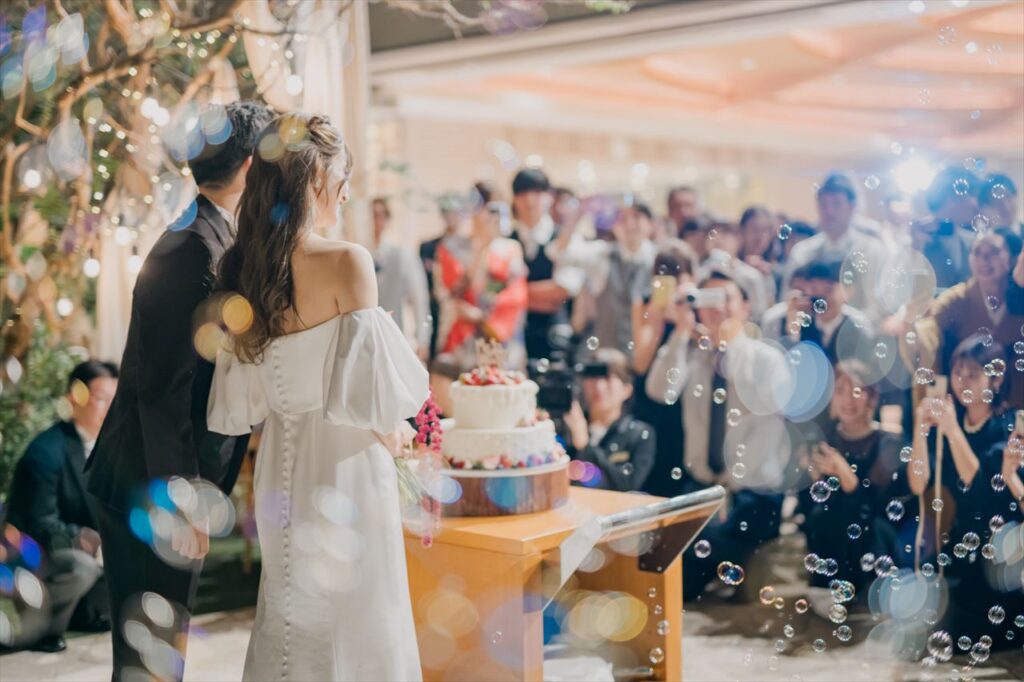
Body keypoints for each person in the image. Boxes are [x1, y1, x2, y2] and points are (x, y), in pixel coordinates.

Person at [209, 113, 426, 681]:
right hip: (348, 464)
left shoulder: (242, 269)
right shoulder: (348, 262)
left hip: (282, 460)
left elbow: (243, 395)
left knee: (289, 606)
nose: (348, 191)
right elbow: (372, 400)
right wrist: (400, 438)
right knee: (362, 610)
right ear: (314, 178)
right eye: (343, 175)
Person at [86, 100, 272, 681]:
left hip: (158, 478)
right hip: (145, 484)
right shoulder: (189, 248)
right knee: (149, 659)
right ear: (250, 166)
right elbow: (162, 390)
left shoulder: (214, 236)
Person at [645, 272, 788, 601]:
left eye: (726, 298)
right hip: (700, 488)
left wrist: (727, 488)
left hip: (752, 492)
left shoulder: (766, 359)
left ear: (745, 307)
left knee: (696, 553)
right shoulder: (694, 356)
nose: (716, 308)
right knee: (661, 550)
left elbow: (769, 420)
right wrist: (681, 331)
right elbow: (659, 390)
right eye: (707, 300)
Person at [2, 361, 118, 653]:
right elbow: (39, 525)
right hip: (35, 557)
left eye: (115, 400)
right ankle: (38, 627)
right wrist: (91, 541)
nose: (110, 408)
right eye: (101, 399)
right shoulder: (46, 451)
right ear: (73, 399)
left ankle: (85, 614)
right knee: (82, 566)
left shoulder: (111, 449)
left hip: (89, 556)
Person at [908, 336, 1015, 645]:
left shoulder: (1007, 427)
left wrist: (952, 429)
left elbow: (980, 487)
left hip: (998, 549)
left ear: (995, 380)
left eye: (973, 374)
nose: (962, 381)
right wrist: (920, 429)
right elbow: (918, 484)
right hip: (960, 544)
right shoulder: (948, 423)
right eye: (957, 372)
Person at [797, 361, 907, 591]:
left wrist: (845, 473)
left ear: (871, 397)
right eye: (840, 390)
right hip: (831, 543)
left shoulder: (888, 442)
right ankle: (828, 589)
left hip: (872, 537)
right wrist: (810, 478)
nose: (848, 399)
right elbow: (809, 507)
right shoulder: (823, 439)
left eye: (857, 391)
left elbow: (874, 507)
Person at [909, 228, 1024, 410]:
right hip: (967, 405)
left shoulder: (1020, 299)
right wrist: (916, 330)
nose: (984, 259)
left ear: (1013, 259)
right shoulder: (958, 298)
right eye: (977, 252)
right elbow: (931, 326)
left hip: (1016, 401)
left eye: (993, 252)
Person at [434, 185, 528, 371]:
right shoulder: (452, 247)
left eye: (496, 209)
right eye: (485, 208)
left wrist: (483, 317)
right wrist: (481, 247)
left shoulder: (510, 248)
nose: (489, 216)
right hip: (462, 337)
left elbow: (515, 294)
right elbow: (450, 292)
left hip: (500, 339)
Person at [632, 240, 698, 496]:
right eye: (665, 275)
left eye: (679, 274)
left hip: (687, 395)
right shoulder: (646, 304)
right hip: (650, 398)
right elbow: (640, 364)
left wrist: (687, 320)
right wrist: (657, 319)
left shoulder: (696, 303)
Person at [559, 202, 657, 360]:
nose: (630, 225)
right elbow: (561, 255)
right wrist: (575, 218)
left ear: (651, 225)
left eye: (637, 217)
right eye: (624, 219)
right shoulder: (603, 255)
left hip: (646, 357)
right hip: (604, 357)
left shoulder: (659, 259)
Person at [563, 349, 656, 492]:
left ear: (627, 389)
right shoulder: (567, 424)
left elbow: (626, 485)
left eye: (607, 378)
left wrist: (585, 446)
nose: (599, 386)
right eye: (593, 377)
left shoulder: (638, 434)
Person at [781, 173, 884, 301]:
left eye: (837, 204)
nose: (829, 211)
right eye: (823, 205)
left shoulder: (871, 251)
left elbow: (878, 302)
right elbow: (788, 298)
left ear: (852, 207)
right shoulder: (802, 252)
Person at [511, 169, 574, 361]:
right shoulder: (507, 240)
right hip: (513, 337)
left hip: (554, 338)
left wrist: (515, 293)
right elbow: (496, 294)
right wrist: (540, 296)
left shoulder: (563, 238)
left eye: (537, 193)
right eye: (523, 193)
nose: (530, 201)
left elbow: (561, 291)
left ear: (550, 197)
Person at [761, 260, 872, 366]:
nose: (821, 297)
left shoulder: (857, 324)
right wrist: (792, 330)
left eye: (828, 289)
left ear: (847, 291)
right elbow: (783, 363)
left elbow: (866, 366)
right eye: (814, 289)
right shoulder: (793, 318)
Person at [371, 197, 431, 359]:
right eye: (372, 216)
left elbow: (419, 299)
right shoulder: (358, 254)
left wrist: (422, 339)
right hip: (368, 339)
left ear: (387, 219)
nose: (376, 221)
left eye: (380, 215)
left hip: (398, 334)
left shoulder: (403, 256)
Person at [910, 166, 978, 289]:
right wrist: (915, 249)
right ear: (953, 197)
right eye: (972, 195)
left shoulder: (973, 241)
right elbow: (904, 287)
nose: (976, 203)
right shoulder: (914, 239)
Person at [420, 193, 464, 360]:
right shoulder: (429, 247)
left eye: (455, 212)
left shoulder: (469, 247)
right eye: (447, 212)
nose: (451, 217)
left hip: (461, 315)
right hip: (435, 312)